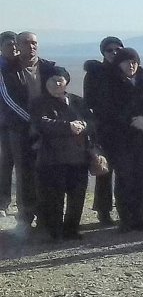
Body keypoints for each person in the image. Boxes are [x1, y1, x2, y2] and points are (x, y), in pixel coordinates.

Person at [30, 68, 100, 240]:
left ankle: (72, 230)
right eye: (52, 80)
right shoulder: (39, 102)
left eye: (60, 80)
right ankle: (54, 232)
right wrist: (68, 126)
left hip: (78, 157)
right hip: (52, 159)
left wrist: (84, 125)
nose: (56, 83)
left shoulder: (77, 101)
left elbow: (92, 121)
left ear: (66, 82)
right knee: (54, 197)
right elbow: (41, 123)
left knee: (77, 196)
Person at [99, 48, 143, 232]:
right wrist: (131, 121)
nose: (131, 65)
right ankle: (126, 220)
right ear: (119, 64)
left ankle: (141, 217)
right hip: (121, 141)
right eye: (126, 62)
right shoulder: (109, 83)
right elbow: (106, 113)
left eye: (134, 61)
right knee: (125, 180)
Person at [1, 32, 57, 233]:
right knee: (25, 173)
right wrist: (33, 121)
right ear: (18, 45)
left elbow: (61, 83)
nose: (31, 46)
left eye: (34, 43)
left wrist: (46, 122)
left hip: (47, 128)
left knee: (47, 171)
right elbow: (8, 100)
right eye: (26, 43)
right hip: (19, 129)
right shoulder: (7, 70)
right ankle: (25, 218)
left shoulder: (48, 68)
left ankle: (46, 216)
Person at [82, 36, 125, 224]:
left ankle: (125, 209)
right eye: (109, 50)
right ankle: (103, 211)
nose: (114, 53)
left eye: (117, 49)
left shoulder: (128, 69)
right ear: (103, 52)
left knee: (125, 172)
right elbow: (88, 103)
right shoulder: (94, 73)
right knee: (104, 171)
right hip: (104, 128)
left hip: (126, 129)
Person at [0, 31, 16, 218]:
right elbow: (6, 97)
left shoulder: (22, 64)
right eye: (8, 45)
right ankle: (3, 202)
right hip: (5, 122)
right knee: (7, 162)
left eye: (15, 44)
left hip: (25, 122)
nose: (13, 48)